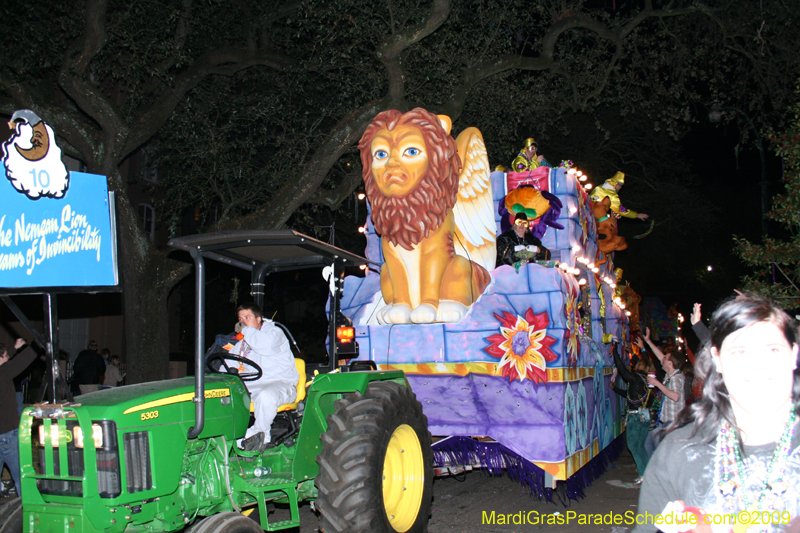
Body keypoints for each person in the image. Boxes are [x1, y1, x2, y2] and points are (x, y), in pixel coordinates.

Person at [634, 293, 800, 533]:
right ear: (718, 360)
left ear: (794, 354)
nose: (757, 365)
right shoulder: (679, 451)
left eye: (772, 349)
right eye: (740, 352)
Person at [228, 303, 299, 452]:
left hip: (280, 384)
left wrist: (246, 330)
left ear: (259, 318)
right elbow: (229, 362)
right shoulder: (243, 344)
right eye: (240, 318)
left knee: (266, 395)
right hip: (254, 386)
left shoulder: (274, 334)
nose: (243, 322)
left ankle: (260, 436)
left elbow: (264, 346)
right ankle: (226, 437)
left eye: (247, 317)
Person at [611, 342, 656, 483]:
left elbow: (623, 371)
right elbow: (632, 396)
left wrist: (615, 353)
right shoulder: (647, 381)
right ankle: (645, 472)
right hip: (645, 416)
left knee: (633, 446)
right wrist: (616, 389)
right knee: (640, 446)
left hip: (636, 417)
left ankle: (643, 473)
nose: (633, 364)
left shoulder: (637, 378)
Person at [0, 338, 35, 498]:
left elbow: (9, 361)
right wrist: (39, 343)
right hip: (7, 434)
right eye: (6, 355)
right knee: (21, 475)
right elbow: (23, 360)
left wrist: (14, 348)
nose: (8, 357)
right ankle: (25, 512)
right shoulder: (3, 373)